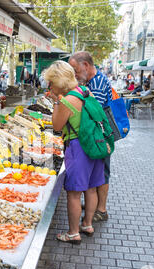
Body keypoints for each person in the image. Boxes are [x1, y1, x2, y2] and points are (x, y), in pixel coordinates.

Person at [44, 60, 103, 244]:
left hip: (79, 147)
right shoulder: (85, 91)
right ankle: (87, 224)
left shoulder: (67, 101)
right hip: (95, 145)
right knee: (91, 188)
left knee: (74, 193)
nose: (50, 87)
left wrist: (55, 103)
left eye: (51, 83)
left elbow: (57, 126)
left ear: (58, 81)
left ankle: (73, 233)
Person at [68, 51, 112, 222]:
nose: (75, 74)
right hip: (97, 137)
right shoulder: (91, 81)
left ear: (85, 65)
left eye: (75, 69)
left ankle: (101, 210)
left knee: (101, 174)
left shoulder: (98, 83)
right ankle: (94, 208)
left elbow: (94, 114)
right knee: (95, 176)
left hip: (99, 139)